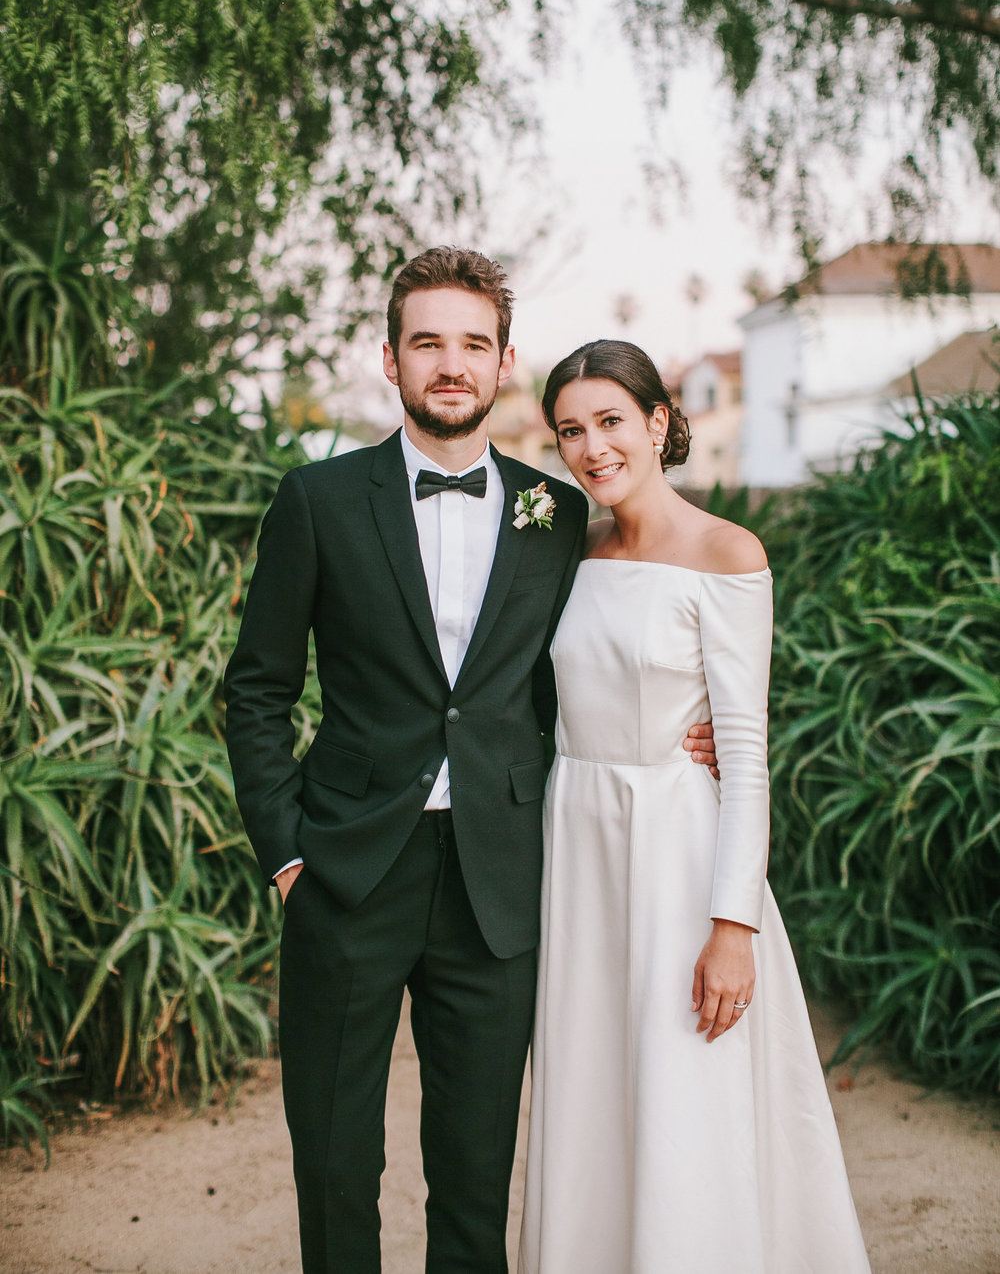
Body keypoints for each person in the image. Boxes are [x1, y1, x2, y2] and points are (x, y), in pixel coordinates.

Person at [222, 251, 719, 1273]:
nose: (451, 365)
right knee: (333, 1154)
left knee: (475, 1166)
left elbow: (592, 661)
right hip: (347, 870)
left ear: (501, 363)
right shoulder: (317, 500)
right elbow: (257, 691)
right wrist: (285, 853)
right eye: (428, 343)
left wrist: (679, 721)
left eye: (472, 345)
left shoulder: (555, 513)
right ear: (393, 359)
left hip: (500, 875)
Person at [518, 339, 871, 1274]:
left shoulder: (727, 551)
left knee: (684, 1099)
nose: (592, 449)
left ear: (659, 422)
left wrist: (732, 923)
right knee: (594, 1098)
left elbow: (745, 753)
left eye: (611, 422)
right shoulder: (573, 552)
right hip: (579, 854)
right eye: (570, 432)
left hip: (679, 856)